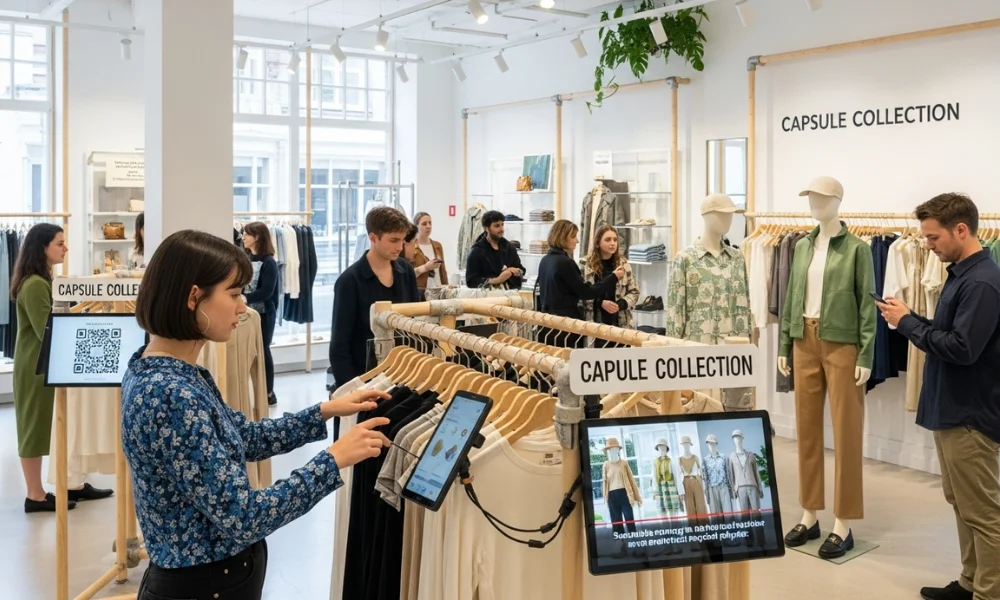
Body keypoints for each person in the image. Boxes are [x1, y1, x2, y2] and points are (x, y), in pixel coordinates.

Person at [122, 229, 391, 600]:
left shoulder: (167, 372)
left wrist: (326, 410)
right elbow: (244, 516)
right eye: (233, 294)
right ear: (193, 298)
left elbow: (242, 437)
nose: (243, 307)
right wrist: (333, 459)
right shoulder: (170, 394)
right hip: (203, 586)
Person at [876, 193, 1000, 600]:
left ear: (961, 230)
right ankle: (970, 583)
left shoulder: (981, 282)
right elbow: (949, 333)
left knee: (983, 513)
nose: (928, 245)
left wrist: (908, 322)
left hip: (969, 414)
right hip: (953, 408)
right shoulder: (962, 275)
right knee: (963, 503)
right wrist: (911, 317)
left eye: (933, 238)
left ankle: (988, 592)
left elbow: (963, 348)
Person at [12, 223, 112, 513]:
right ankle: (35, 495)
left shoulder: (45, 281)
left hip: (47, 363)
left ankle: (72, 484)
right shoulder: (34, 285)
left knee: (59, 423)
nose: (65, 248)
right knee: (34, 427)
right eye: (60, 243)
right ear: (42, 247)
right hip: (36, 367)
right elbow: (48, 329)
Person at [329, 207, 419, 421]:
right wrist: (353, 393)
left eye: (403, 240)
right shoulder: (349, 281)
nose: (400, 247)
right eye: (393, 240)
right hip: (364, 384)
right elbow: (339, 345)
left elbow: (415, 325)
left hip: (402, 381)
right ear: (373, 238)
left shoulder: (405, 271)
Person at [536, 220, 623, 347]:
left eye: (615, 240)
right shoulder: (566, 262)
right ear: (562, 237)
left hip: (547, 322)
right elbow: (586, 292)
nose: (577, 241)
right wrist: (613, 277)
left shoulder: (545, 260)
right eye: (573, 236)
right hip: (564, 325)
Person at [241, 222, 280, 406]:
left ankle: (269, 392)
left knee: (263, 350)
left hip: (264, 314)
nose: (243, 237)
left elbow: (267, 291)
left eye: (246, 234)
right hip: (248, 313)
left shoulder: (269, 262)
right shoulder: (247, 258)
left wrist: (244, 298)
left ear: (256, 237)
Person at [581, 225, 639, 343]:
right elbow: (580, 295)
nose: (612, 243)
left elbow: (634, 292)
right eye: (607, 240)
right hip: (594, 325)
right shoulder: (586, 265)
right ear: (598, 243)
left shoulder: (624, 264)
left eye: (615, 240)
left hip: (621, 324)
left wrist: (622, 303)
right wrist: (600, 303)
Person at [465, 210, 525, 289]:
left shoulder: (509, 247)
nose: (501, 229)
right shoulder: (477, 251)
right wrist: (497, 280)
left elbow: (522, 270)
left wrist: (513, 271)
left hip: (510, 295)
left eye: (502, 225)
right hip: (487, 298)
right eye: (497, 226)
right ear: (486, 228)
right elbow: (471, 281)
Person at [412, 212, 448, 289]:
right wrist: (425, 267)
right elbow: (408, 274)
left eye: (430, 223)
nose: (428, 226)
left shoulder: (437, 245)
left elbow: (443, 271)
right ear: (416, 226)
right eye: (424, 224)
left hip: (438, 289)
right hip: (421, 291)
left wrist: (447, 288)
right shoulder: (411, 247)